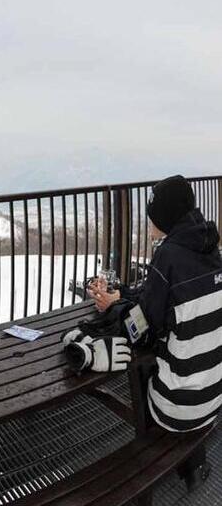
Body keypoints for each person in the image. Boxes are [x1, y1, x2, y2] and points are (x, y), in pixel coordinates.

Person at [83, 175, 222, 491]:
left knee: (141, 365)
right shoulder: (210, 249)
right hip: (214, 396)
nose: (148, 221)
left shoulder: (168, 255)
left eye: (152, 213)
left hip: (178, 407)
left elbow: (139, 331)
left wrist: (110, 308)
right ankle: (193, 459)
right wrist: (123, 298)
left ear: (165, 216)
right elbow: (168, 296)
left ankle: (151, 458)